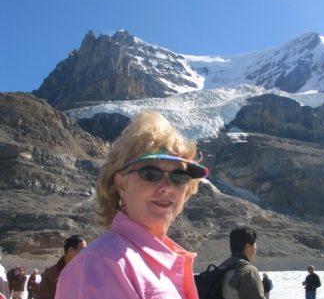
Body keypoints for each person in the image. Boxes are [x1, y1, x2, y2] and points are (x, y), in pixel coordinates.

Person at [55, 110, 209, 299]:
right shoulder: (103, 263)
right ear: (121, 184)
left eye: (179, 177)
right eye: (150, 174)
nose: (167, 187)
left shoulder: (153, 260)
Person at [219, 226, 264, 299]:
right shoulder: (248, 270)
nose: (256, 249)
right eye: (255, 245)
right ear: (248, 247)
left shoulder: (223, 266)